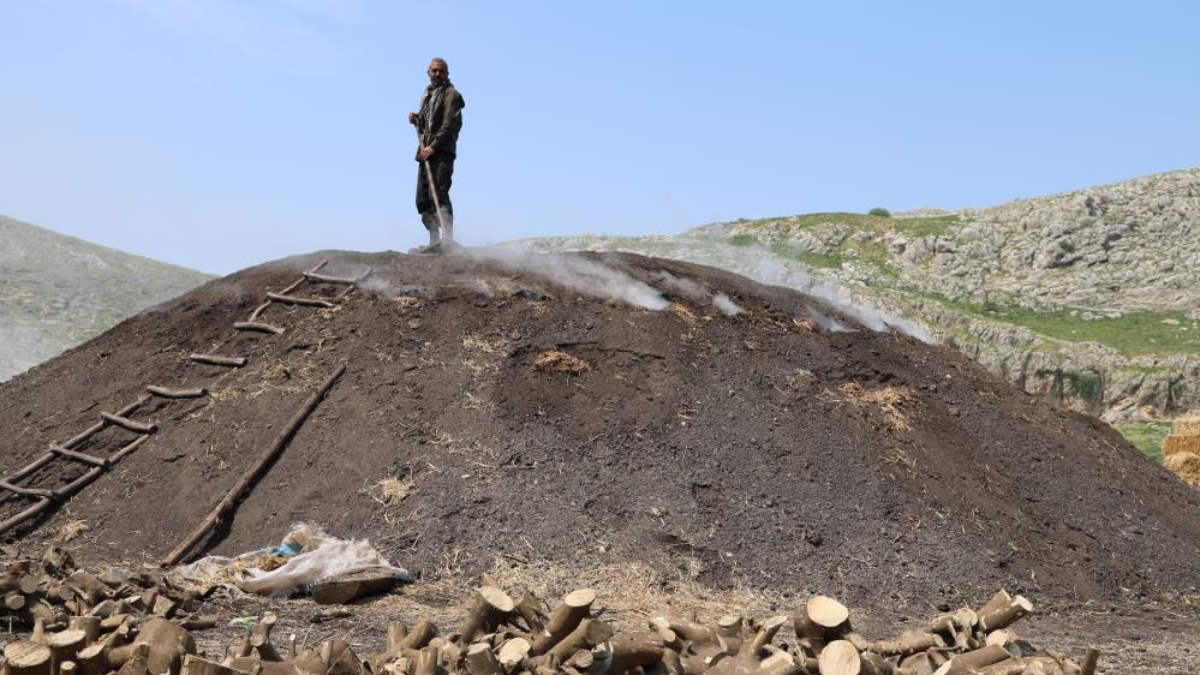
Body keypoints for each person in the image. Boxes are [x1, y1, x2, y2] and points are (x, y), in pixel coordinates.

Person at [408, 57, 465, 253]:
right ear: (428, 72)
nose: (437, 74)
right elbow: (428, 124)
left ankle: (447, 241)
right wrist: (417, 119)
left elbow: (449, 125)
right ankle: (434, 241)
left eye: (441, 71)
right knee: (423, 199)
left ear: (447, 73)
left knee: (439, 194)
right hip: (425, 153)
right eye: (434, 71)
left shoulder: (452, 95)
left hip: (441, 152)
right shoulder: (428, 97)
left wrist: (433, 146)